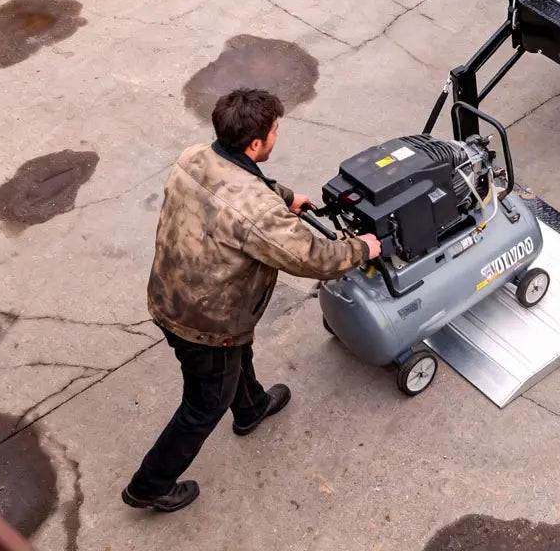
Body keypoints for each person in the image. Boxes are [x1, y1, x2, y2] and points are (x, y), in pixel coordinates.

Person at [122, 89, 381, 512]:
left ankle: (251, 408)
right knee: (205, 403)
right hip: (205, 319)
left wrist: (283, 196)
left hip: (170, 290)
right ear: (256, 143)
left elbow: (237, 184)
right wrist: (363, 249)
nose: (278, 136)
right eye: (275, 131)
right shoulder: (257, 213)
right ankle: (149, 485)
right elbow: (310, 257)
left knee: (234, 355)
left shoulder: (194, 157)